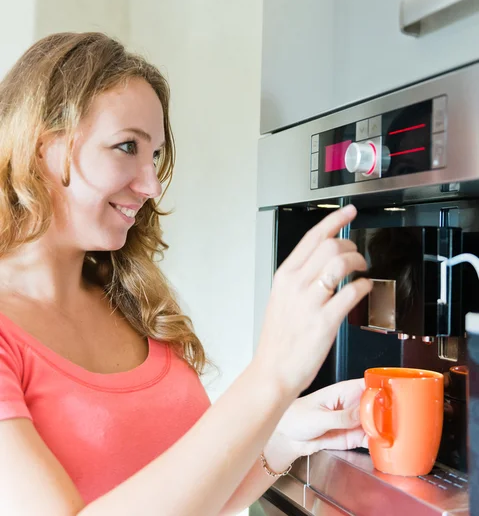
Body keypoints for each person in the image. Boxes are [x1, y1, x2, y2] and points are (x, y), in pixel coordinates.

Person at [0, 32, 372, 516]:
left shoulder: (130, 301)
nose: (152, 184)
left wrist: (282, 435)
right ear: (42, 148)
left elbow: (196, 500)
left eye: (153, 155)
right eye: (126, 146)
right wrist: (269, 378)